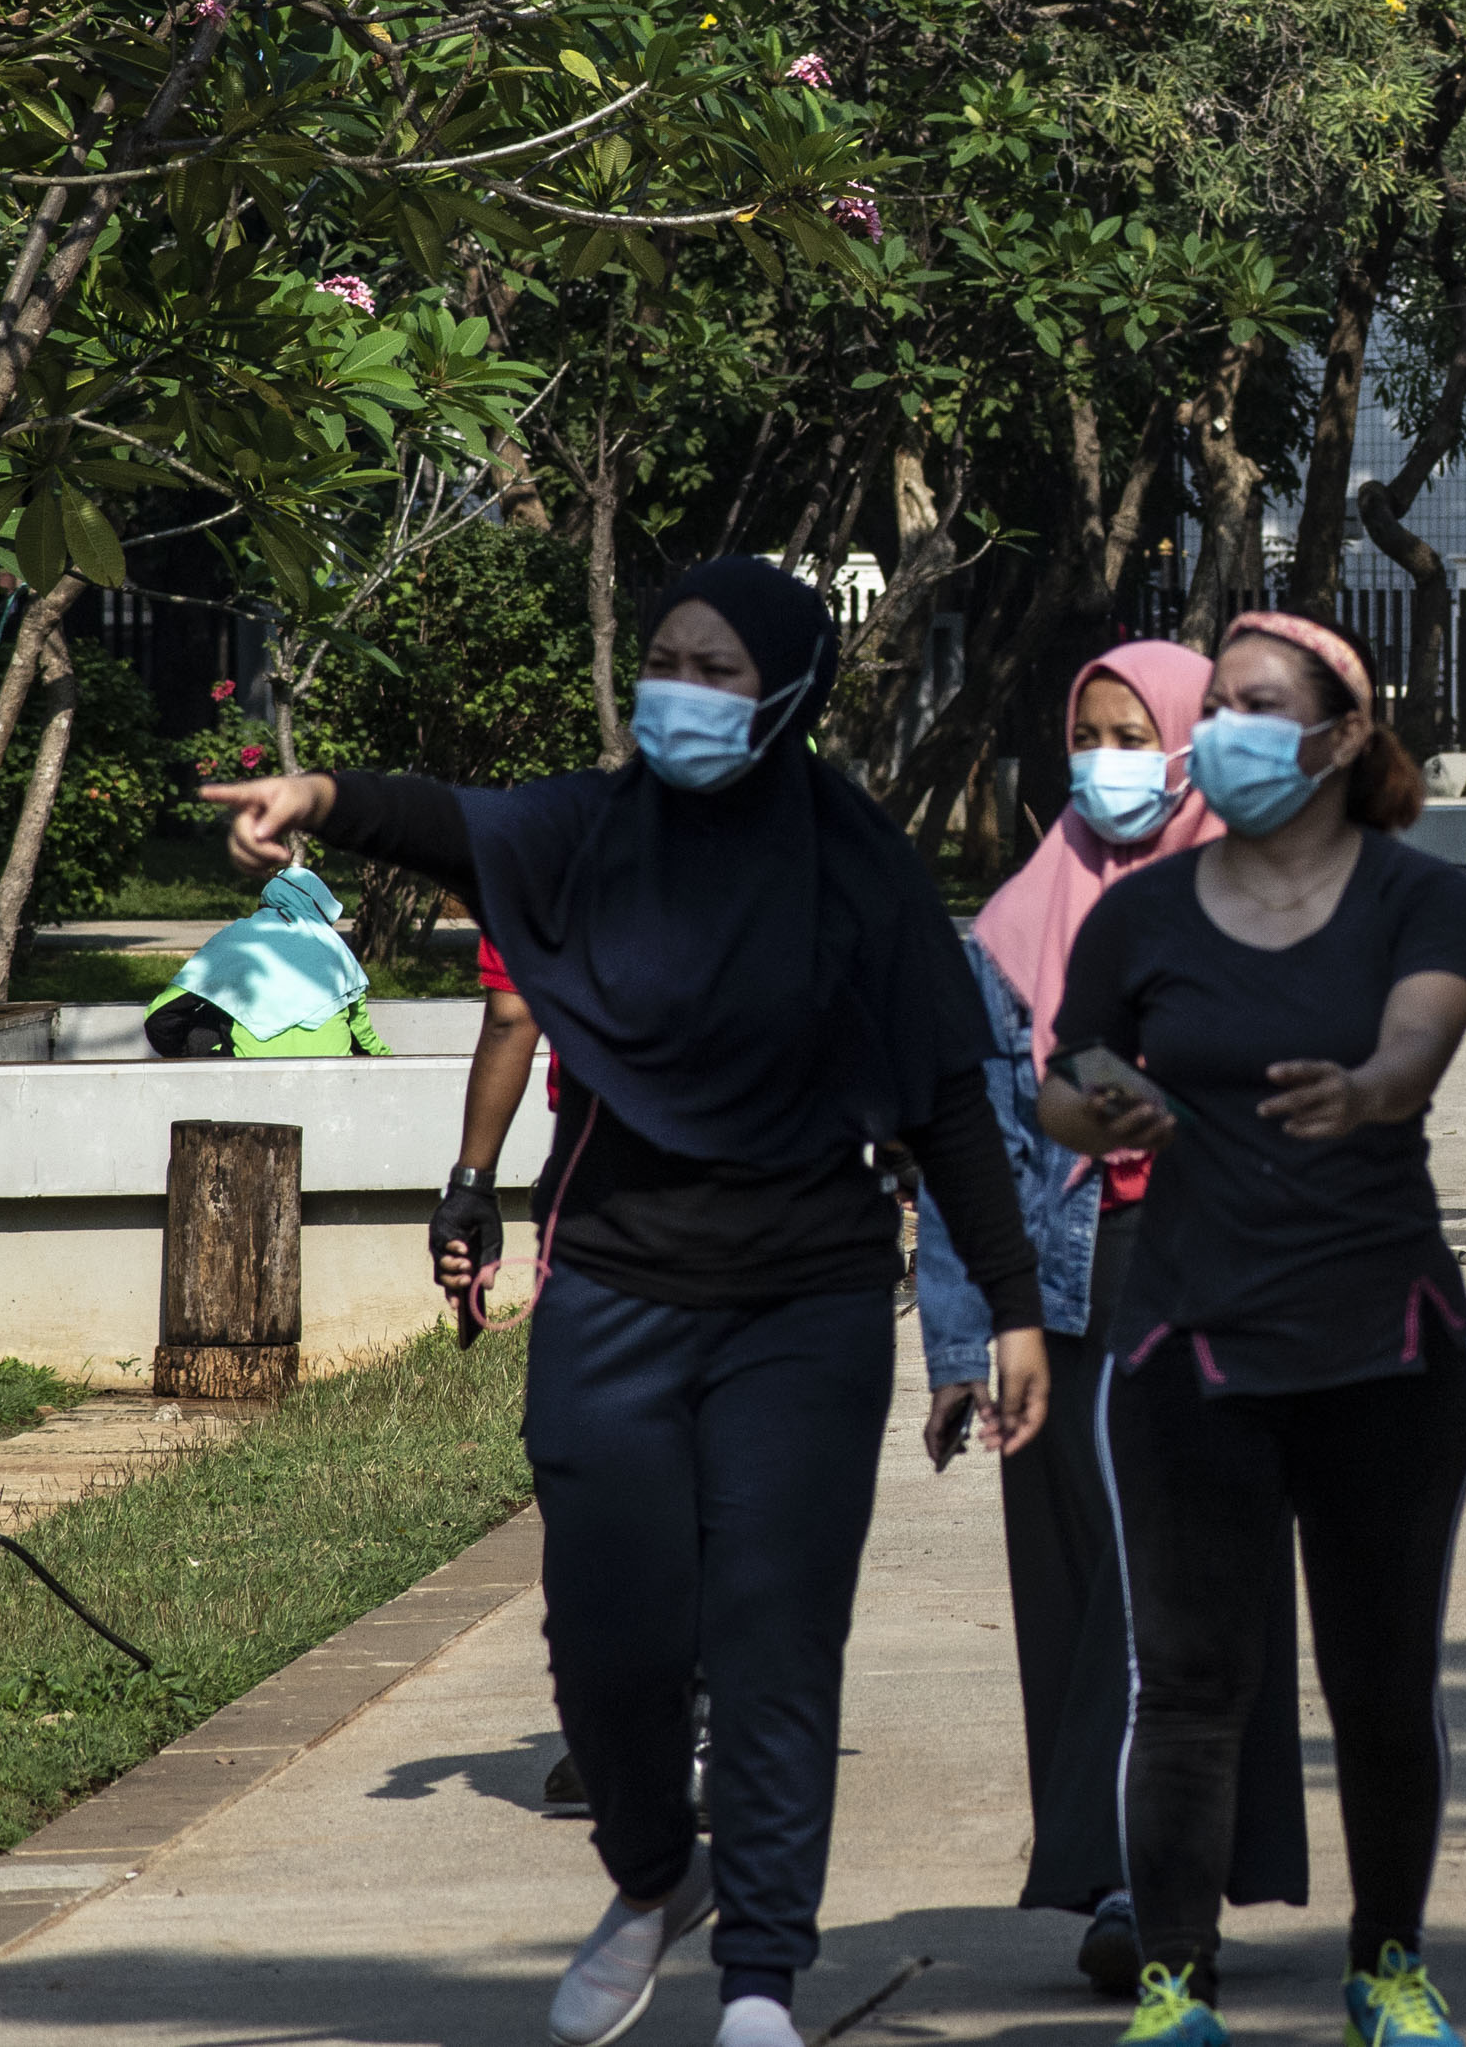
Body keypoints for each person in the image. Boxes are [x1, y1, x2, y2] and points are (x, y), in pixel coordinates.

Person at [203, 558, 1047, 2047]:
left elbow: (948, 1104)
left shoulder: (859, 867)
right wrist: (317, 793)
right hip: (614, 1284)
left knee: (779, 1641)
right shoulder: (587, 831)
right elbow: (452, 817)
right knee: (611, 1639)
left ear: (785, 692)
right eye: (665, 657)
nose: (683, 690)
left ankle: (767, 1984)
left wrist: (1016, 1307)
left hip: (808, 1300)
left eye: (717, 670)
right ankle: (656, 1872)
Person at [1035, 612, 1466, 2047]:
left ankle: (1390, 1959)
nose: (1217, 726)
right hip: (1187, 1347)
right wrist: (1100, 1100)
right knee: (1187, 1681)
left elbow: (1424, 1030)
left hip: (1388, 1343)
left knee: (1382, 1676)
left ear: (1343, 734)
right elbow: (1063, 1075)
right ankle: (1175, 1979)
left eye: (1255, 702)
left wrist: (1372, 1086)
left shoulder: (1419, 895)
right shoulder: (1142, 915)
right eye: (1212, 702)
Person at [919, 640, 1305, 2000]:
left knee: (1170, 1587)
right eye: (1086, 729)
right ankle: (1127, 1875)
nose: (1107, 756)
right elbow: (962, 1137)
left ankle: (1155, 1884)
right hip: (1061, 1292)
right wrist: (965, 1339)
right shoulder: (1021, 912)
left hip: (1208, 1278)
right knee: (1082, 1591)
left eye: (1134, 728)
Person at [141, 864, 391, 1057]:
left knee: (207, 1019)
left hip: (247, 1074)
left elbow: (161, 1017)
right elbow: (363, 1038)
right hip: (330, 1078)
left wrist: (181, 1061)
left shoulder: (239, 936)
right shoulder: (336, 949)